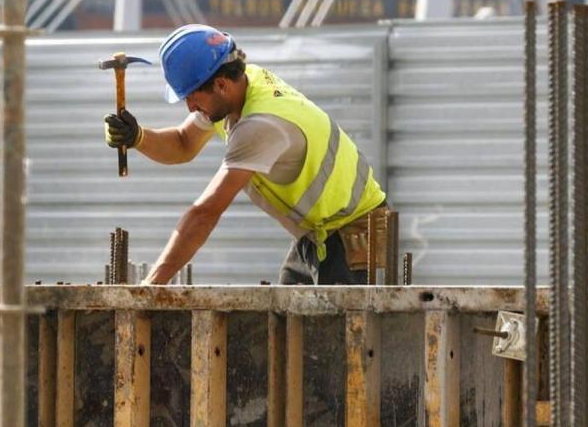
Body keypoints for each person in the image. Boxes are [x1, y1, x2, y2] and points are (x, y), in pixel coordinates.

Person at [103, 24, 388, 285]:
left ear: (221, 85)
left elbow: (205, 213)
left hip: (358, 238)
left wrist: (149, 287)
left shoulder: (260, 124)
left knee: (336, 338)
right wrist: (137, 136)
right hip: (320, 235)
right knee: (288, 325)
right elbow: (183, 143)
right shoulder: (240, 85)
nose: (190, 107)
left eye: (192, 96)